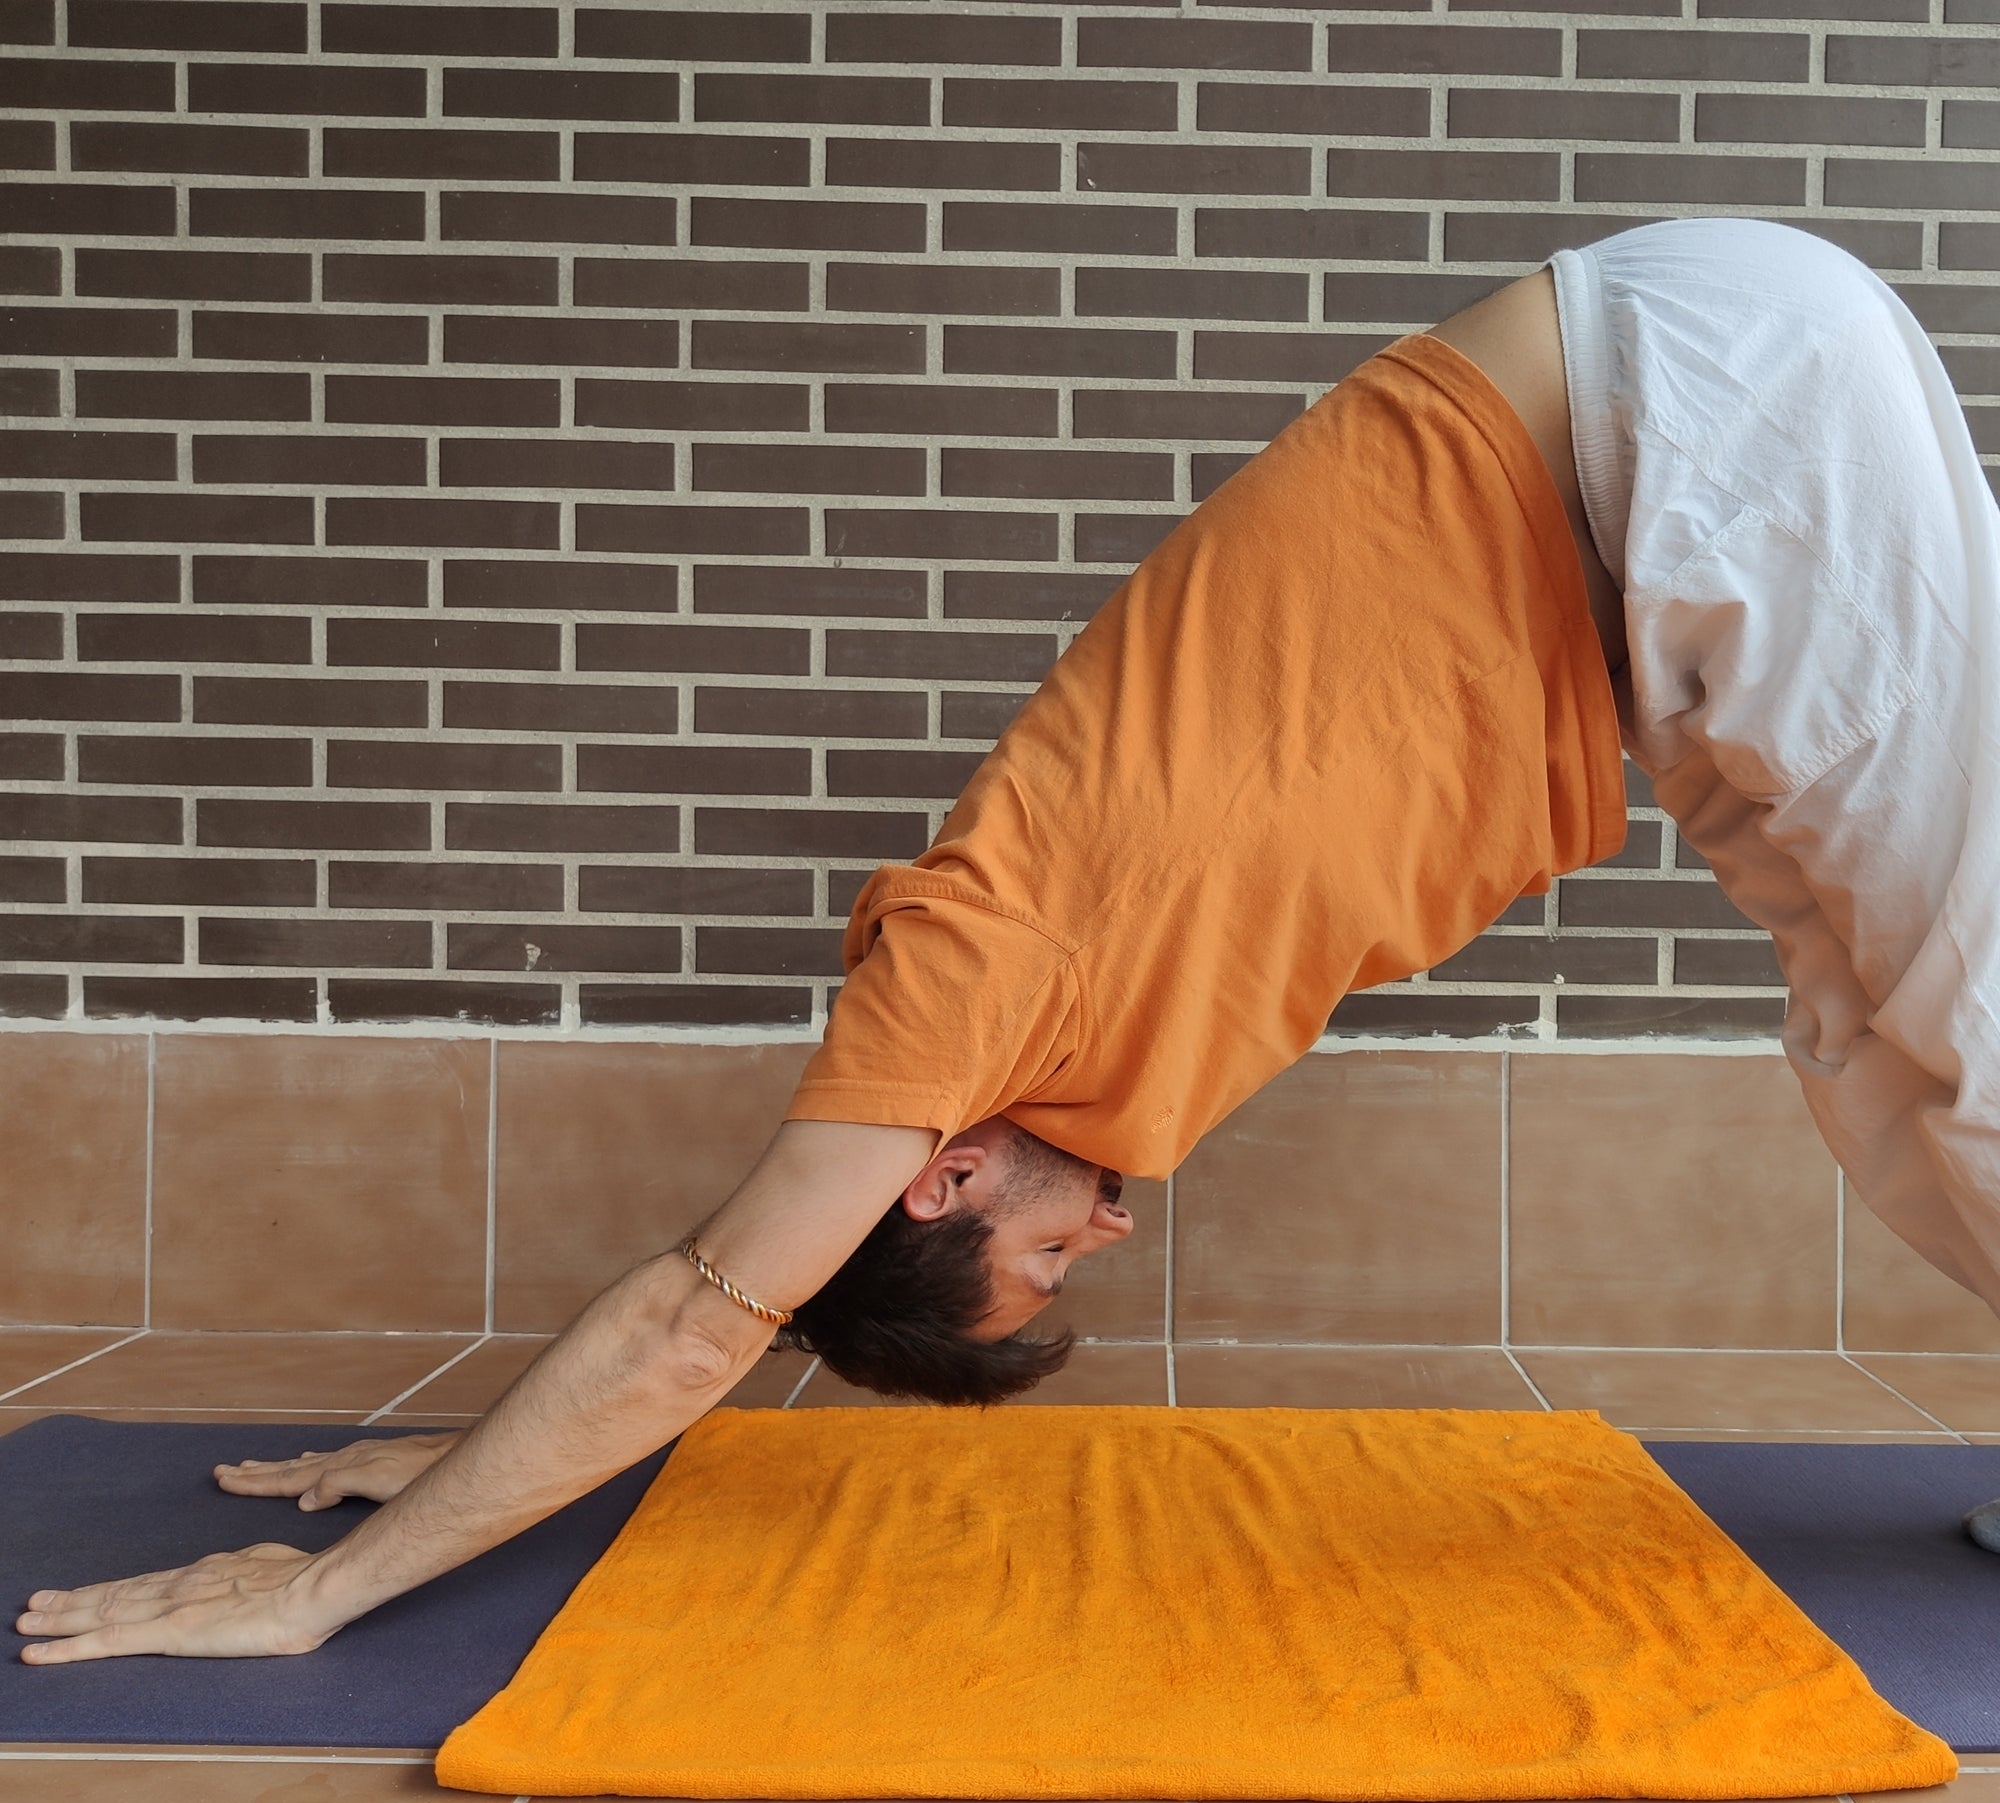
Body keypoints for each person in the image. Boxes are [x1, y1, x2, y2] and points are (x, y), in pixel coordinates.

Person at [21, 216, 2000, 1667]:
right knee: (1874, 1074)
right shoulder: (1071, 1033)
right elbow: (723, 1316)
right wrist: (460, 1450)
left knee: (1968, 1034)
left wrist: (327, 1595)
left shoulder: (968, 979)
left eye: (1039, 1243)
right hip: (1654, 540)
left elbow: (707, 1307)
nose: (1108, 1233)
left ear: (942, 1167)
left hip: (1693, 425)